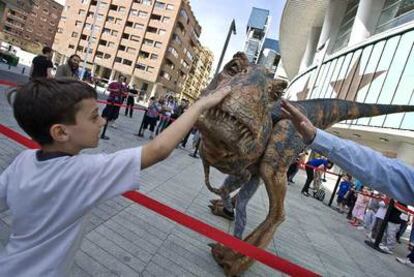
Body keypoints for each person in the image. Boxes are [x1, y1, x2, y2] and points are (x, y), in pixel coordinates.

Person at [0, 79, 231, 276]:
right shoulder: (82, 172)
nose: (102, 121)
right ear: (61, 132)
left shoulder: (24, 160)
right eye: (93, 117)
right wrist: (201, 105)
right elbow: (157, 150)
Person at [280, 100, 414, 205]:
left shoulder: (327, 164)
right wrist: (317, 137)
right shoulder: (327, 163)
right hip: (311, 164)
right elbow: (384, 170)